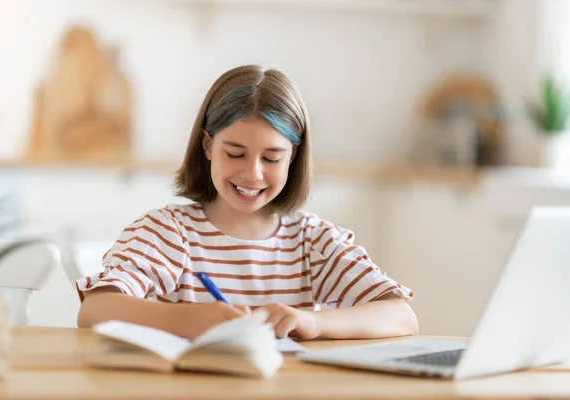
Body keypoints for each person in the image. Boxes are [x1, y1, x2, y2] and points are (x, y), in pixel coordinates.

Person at [77, 65, 418, 340]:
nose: (252, 174)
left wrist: (313, 323)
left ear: (293, 158)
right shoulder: (169, 232)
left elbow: (401, 317)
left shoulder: (314, 242)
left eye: (271, 158)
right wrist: (184, 319)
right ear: (208, 147)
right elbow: (95, 310)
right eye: (235, 153)